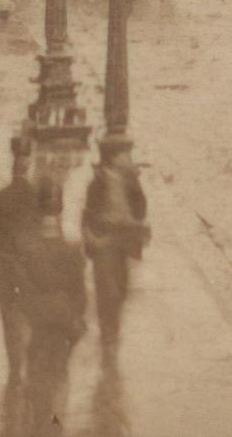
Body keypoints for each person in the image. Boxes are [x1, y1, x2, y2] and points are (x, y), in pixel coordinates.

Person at [18, 179, 87, 435]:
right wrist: (74, 317)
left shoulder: (29, 248)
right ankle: (55, 425)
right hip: (62, 323)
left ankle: (37, 419)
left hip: (38, 323)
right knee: (59, 375)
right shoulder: (70, 250)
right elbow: (80, 295)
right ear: (60, 211)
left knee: (35, 371)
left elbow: (21, 292)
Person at [81, 146, 148, 352]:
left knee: (121, 287)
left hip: (124, 240)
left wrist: (134, 182)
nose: (127, 158)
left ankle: (112, 327)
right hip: (105, 239)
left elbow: (142, 208)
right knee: (105, 288)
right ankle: (108, 332)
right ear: (113, 160)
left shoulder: (130, 182)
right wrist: (91, 239)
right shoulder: (98, 182)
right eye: (123, 155)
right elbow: (88, 212)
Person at [0, 136, 37, 385]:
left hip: (5, 268)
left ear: (13, 165)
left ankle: (14, 366)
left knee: (8, 318)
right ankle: (24, 361)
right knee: (28, 315)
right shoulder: (39, 198)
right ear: (28, 166)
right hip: (31, 269)